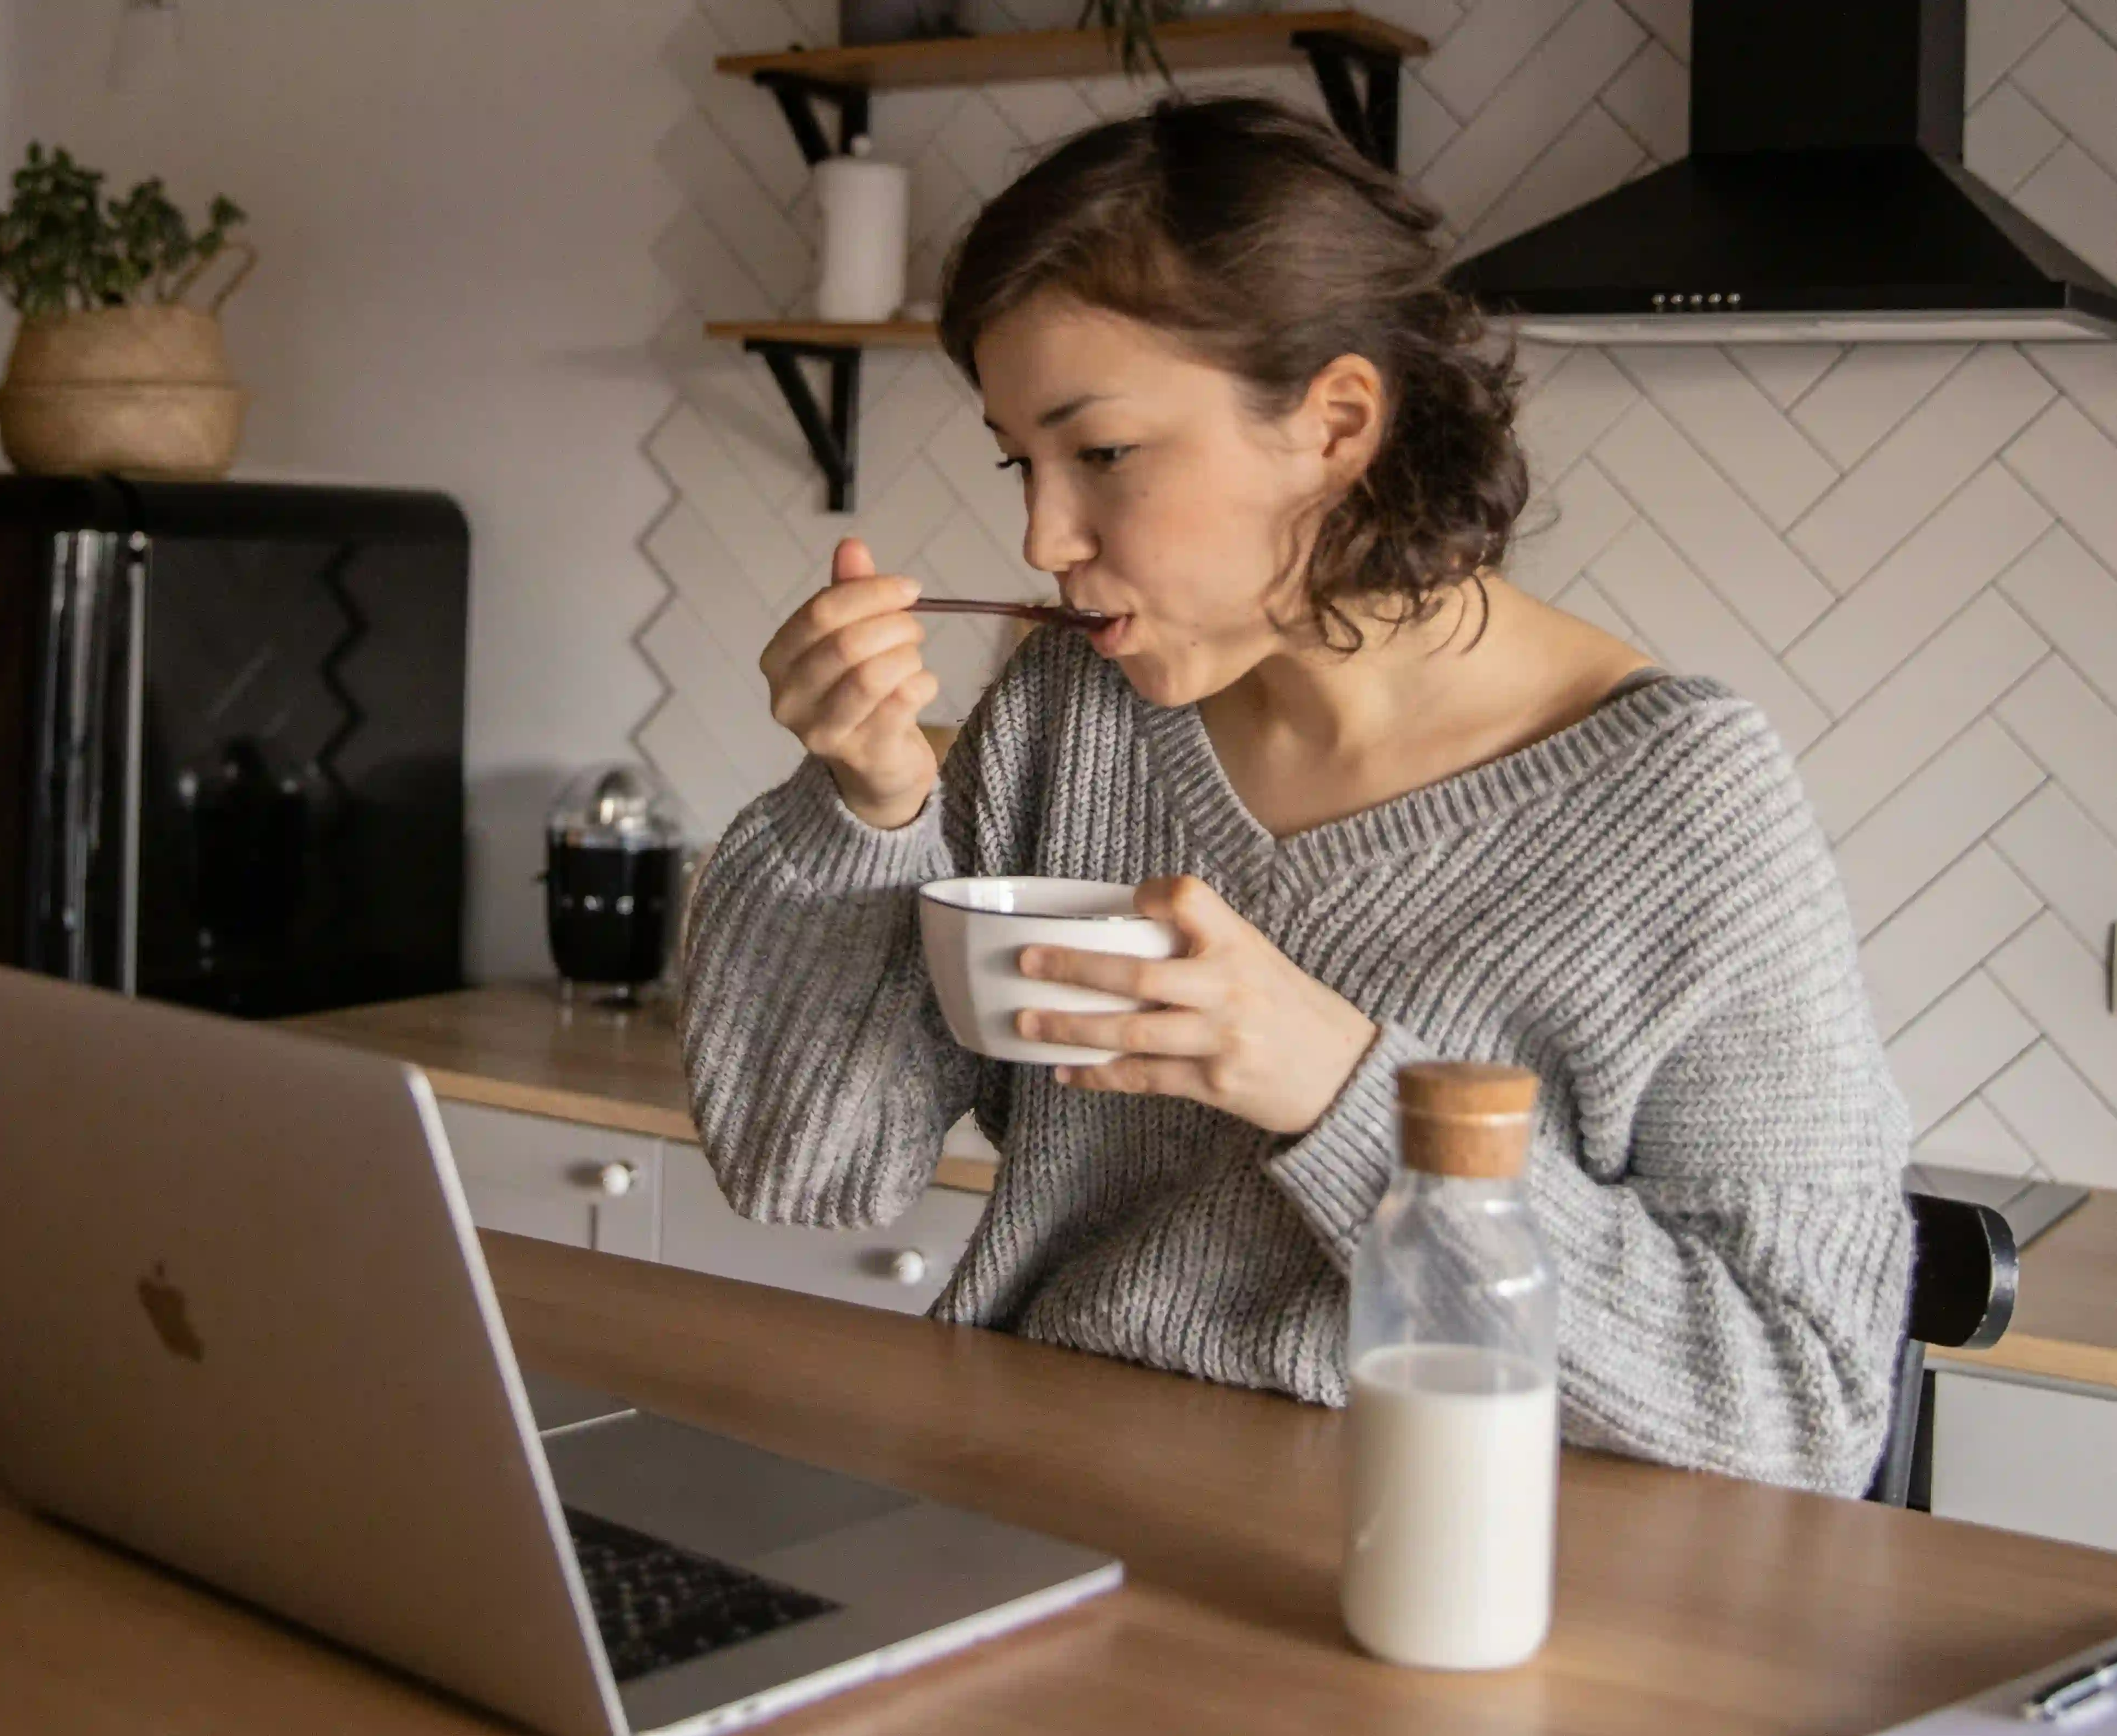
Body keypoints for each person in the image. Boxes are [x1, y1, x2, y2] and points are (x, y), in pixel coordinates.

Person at [680, 97, 1913, 1497]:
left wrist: (1341, 1090)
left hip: (1417, 1579)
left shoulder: (1679, 809)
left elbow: (1803, 1404)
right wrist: (869, 807)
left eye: (1102, 454)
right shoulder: (1067, 714)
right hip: (1026, 1511)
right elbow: (804, 1171)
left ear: (1333, 422)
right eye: (1019, 460)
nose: (1041, 535)